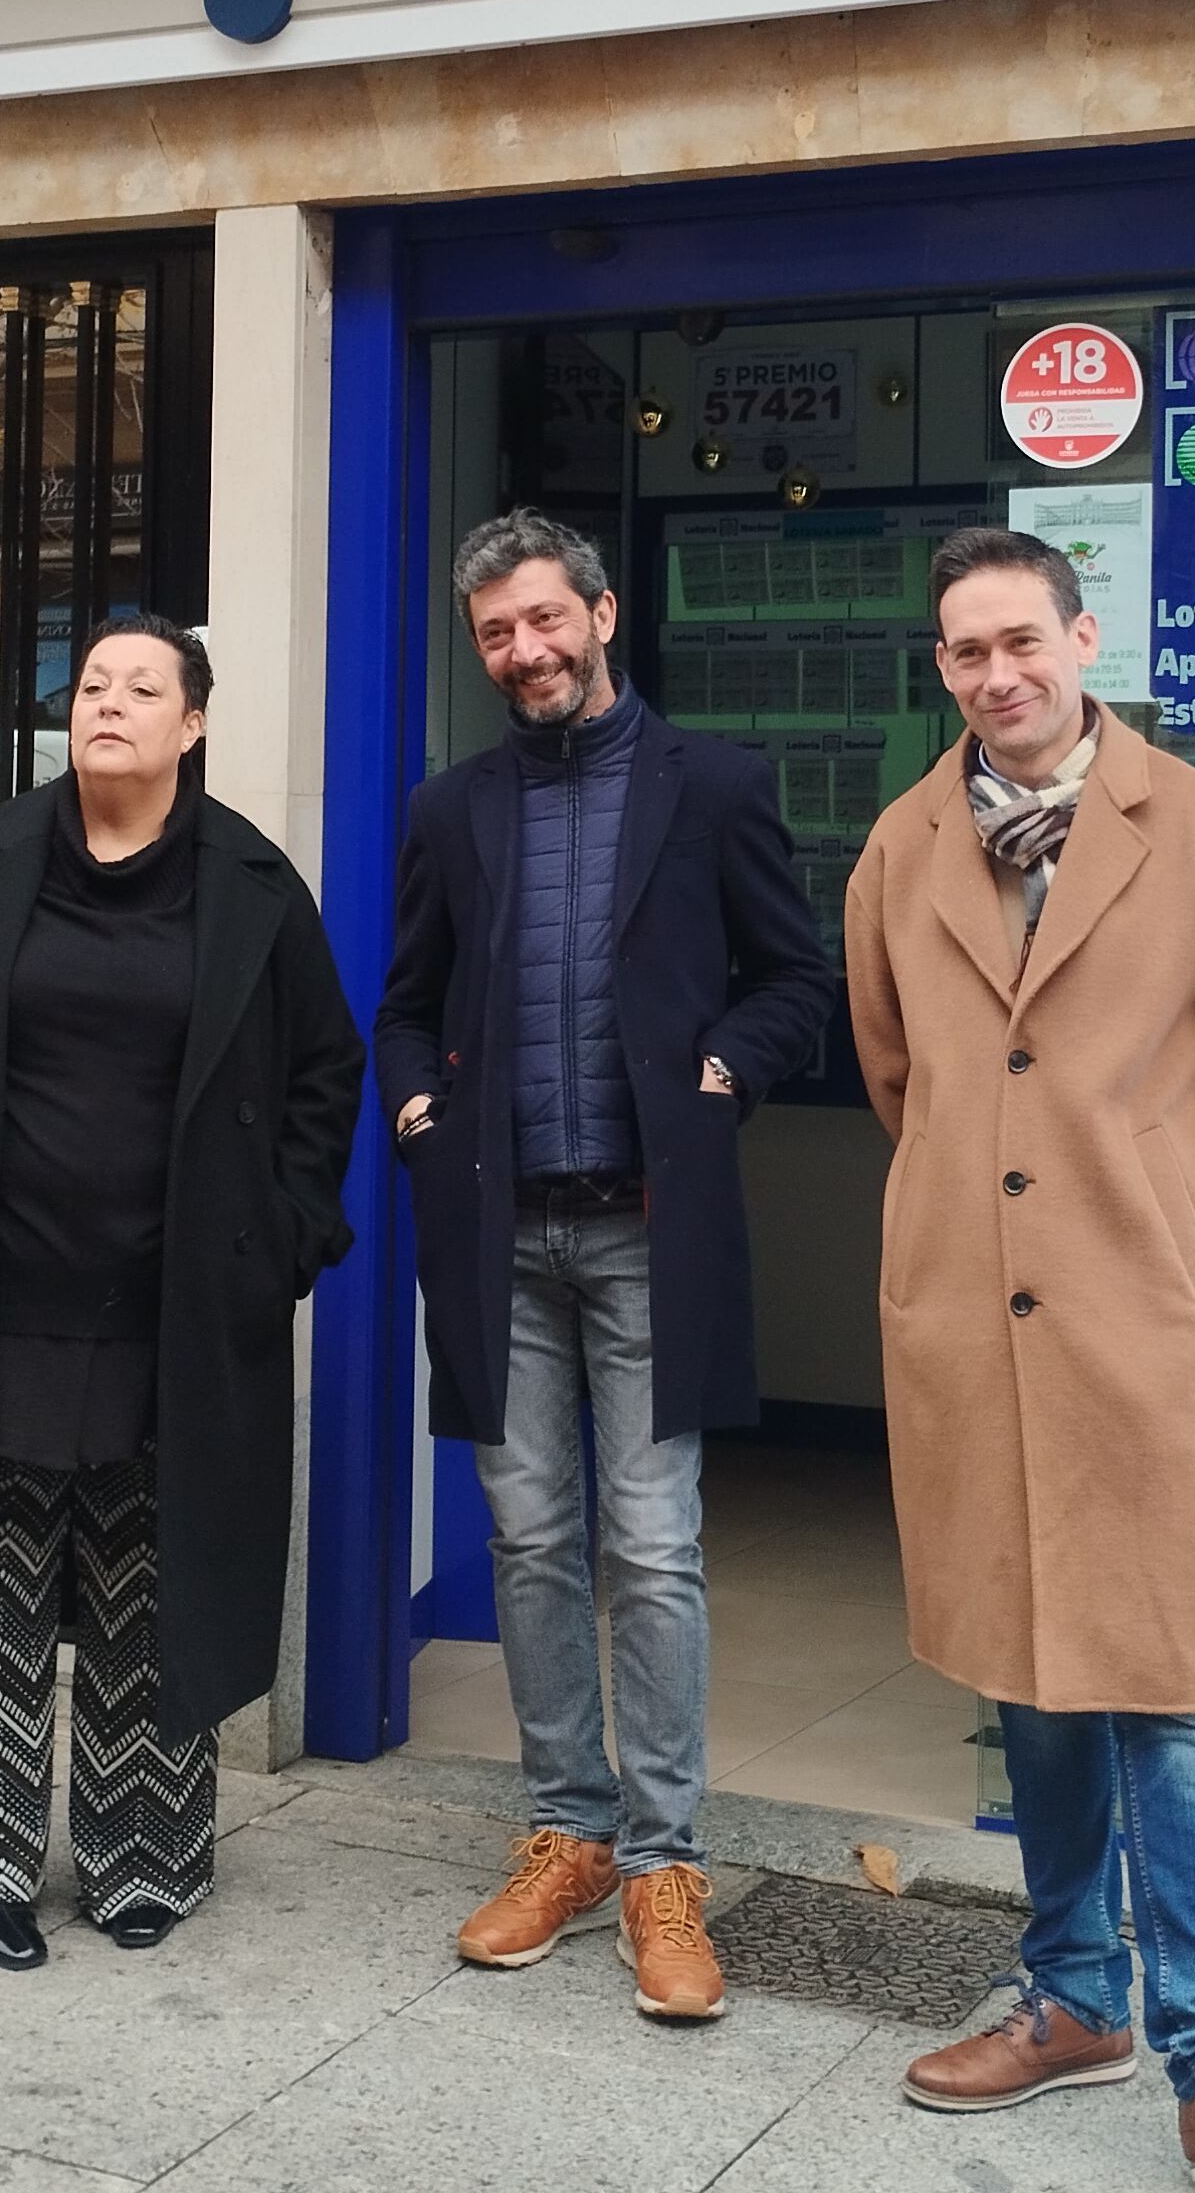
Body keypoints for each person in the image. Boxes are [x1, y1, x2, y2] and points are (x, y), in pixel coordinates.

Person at [845, 526, 1195, 2185]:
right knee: (1033, 1673)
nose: (996, 675)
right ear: (941, 669)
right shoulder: (900, 846)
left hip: (1145, 1317)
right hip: (972, 1316)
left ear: (1083, 640)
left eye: (1022, 641)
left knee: (1169, 1684)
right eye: (963, 653)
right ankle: (1074, 1998)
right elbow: (897, 1077)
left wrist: (1191, 1250)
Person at [0, 611, 363, 1970]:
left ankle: (140, 1860)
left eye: (142, 687)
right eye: (93, 684)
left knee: (141, 1579)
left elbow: (322, 1078)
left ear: (194, 723)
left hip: (175, 1311)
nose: (108, 703)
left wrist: (281, 1242)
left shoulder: (253, 886)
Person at [377, 510, 836, 2022]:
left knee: (650, 1546)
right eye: (496, 634)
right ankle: (566, 1833)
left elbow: (795, 982)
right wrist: (420, 1111)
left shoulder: (714, 787)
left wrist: (722, 1072)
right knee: (527, 1545)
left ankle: (663, 1861)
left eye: (541, 622)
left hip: (651, 1227)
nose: (524, 652)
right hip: (500, 1231)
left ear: (602, 613)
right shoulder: (455, 807)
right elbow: (404, 1002)